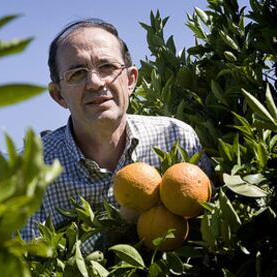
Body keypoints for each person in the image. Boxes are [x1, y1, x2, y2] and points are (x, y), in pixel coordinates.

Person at [21, 18, 211, 251]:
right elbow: (31, 264)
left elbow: (209, 235)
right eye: (77, 74)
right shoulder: (31, 170)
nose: (94, 82)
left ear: (130, 80)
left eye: (107, 67)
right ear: (58, 95)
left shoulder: (176, 137)